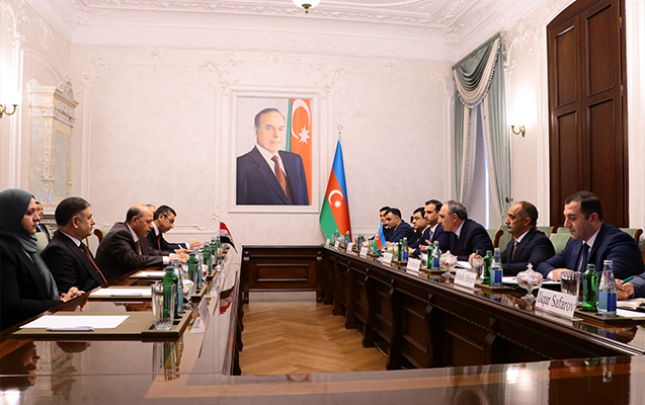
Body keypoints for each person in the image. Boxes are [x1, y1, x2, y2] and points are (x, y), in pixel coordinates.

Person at [0, 189, 83, 331]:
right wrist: (58, 304)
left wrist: (63, 298)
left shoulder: (26, 245)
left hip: (32, 327)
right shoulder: (3, 250)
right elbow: (11, 306)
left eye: (36, 212)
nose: (37, 218)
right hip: (11, 335)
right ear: (11, 216)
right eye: (29, 213)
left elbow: (34, 291)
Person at [536, 191, 645, 281]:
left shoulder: (620, 241)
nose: (566, 224)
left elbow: (609, 277)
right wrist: (554, 274)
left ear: (593, 219)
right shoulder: (575, 241)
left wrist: (569, 277)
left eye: (572, 218)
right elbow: (543, 265)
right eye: (565, 218)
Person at [236, 108, 309, 205]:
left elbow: (304, 203)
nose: (276, 135)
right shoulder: (241, 166)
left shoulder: (295, 160)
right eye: (269, 128)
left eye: (281, 129)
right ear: (256, 131)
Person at [95, 205, 185, 281]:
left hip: (131, 279)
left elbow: (150, 251)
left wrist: (173, 256)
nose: (151, 226)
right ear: (135, 220)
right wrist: (168, 259)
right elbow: (134, 260)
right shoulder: (120, 234)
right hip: (114, 284)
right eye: (148, 222)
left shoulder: (140, 232)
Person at [41, 197, 108, 293]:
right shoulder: (57, 251)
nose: (93, 222)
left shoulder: (78, 245)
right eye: (89, 218)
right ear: (75, 222)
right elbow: (71, 295)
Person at [499, 201, 555, 275]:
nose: (506, 221)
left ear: (526, 221)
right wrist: (485, 262)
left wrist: (497, 267)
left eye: (512, 217)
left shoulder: (540, 241)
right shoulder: (513, 243)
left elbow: (532, 266)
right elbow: (498, 260)